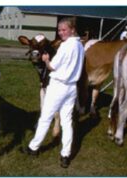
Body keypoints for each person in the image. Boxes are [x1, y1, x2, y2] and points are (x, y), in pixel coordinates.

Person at [21, 17, 84, 169]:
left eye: (64, 30)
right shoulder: (80, 45)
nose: (61, 33)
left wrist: (46, 60)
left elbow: (52, 67)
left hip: (58, 86)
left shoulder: (65, 46)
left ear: (72, 29)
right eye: (59, 30)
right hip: (72, 87)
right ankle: (65, 155)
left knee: (45, 118)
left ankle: (33, 148)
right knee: (67, 121)